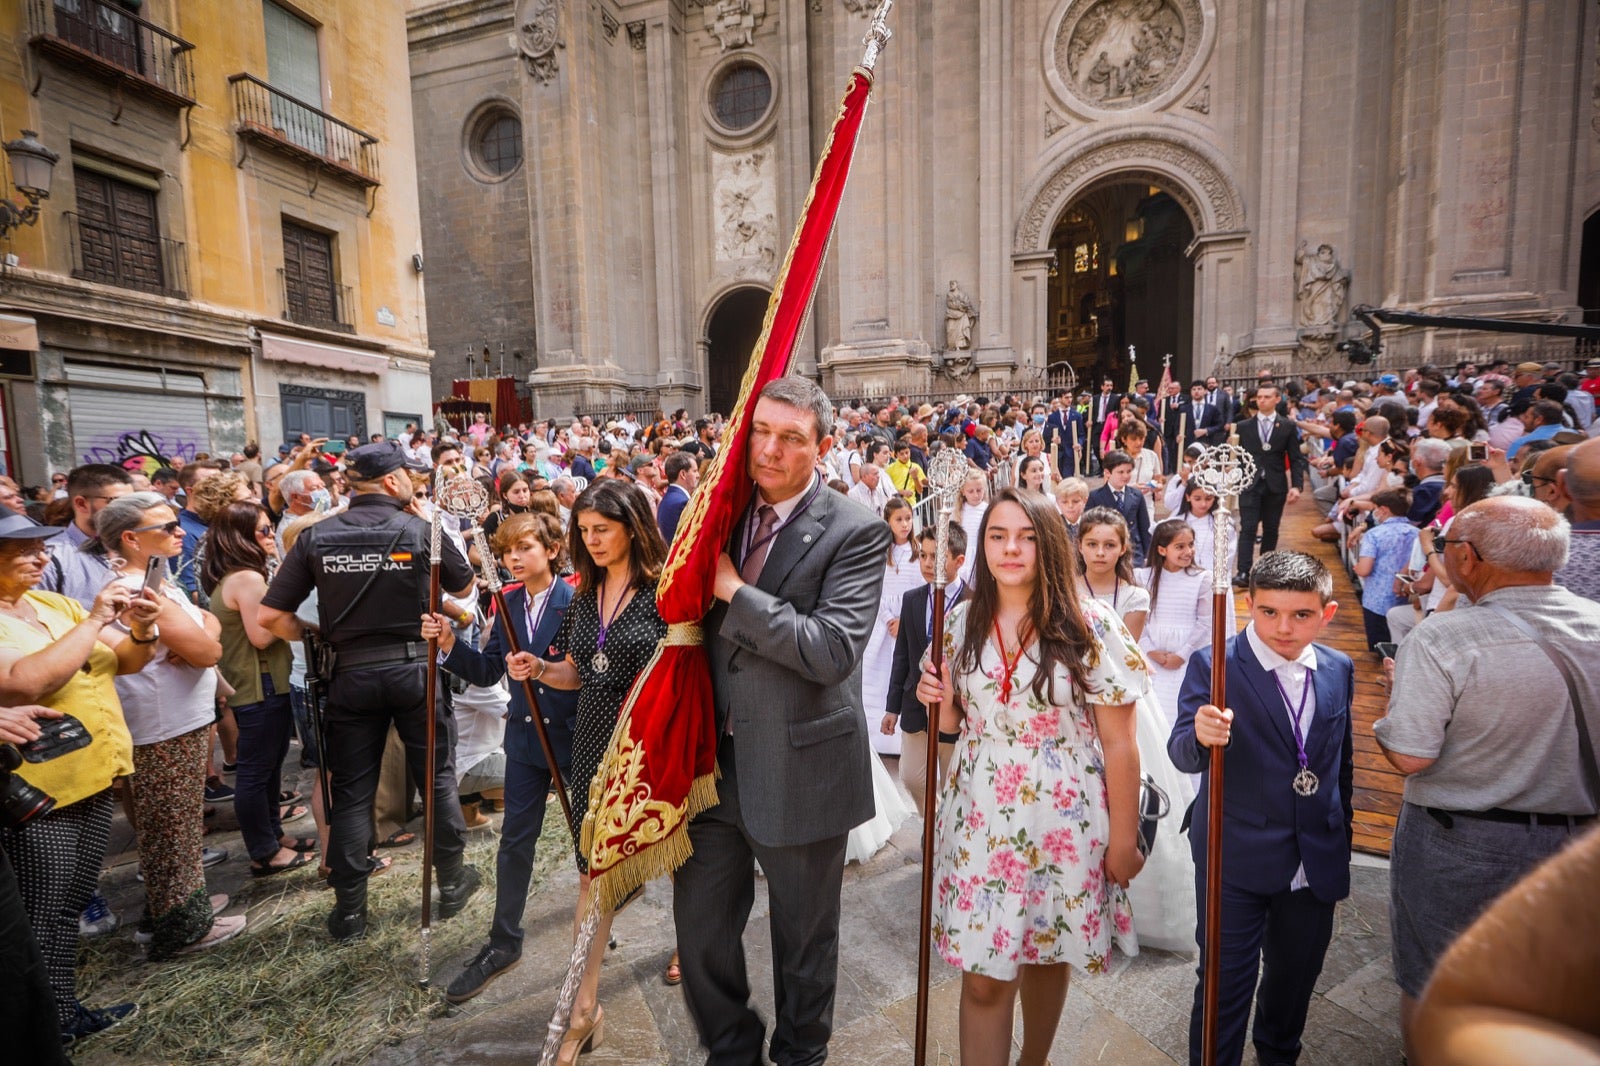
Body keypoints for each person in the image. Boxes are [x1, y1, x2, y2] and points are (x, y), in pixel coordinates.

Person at [675, 377, 890, 1064]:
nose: (768, 449)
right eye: (760, 432)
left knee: (803, 946)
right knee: (700, 934)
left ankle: (801, 1055)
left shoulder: (856, 530)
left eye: (790, 438)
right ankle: (732, 1050)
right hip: (712, 767)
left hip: (803, 766)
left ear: (822, 447)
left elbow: (830, 650)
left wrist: (734, 590)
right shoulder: (719, 513)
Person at [915, 487, 1147, 1066]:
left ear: (1048, 543)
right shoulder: (959, 619)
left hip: (1062, 812)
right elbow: (948, 725)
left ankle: (1033, 1060)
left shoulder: (1090, 622)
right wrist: (932, 694)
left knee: (1048, 950)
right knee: (985, 978)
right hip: (980, 811)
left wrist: (1124, 838)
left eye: (1025, 536)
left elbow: (1120, 743)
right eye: (997, 535)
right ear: (982, 545)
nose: (1011, 548)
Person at [1373, 496, 1600, 1060]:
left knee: (1438, 979)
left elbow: (1409, 755)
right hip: (1580, 842)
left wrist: (1394, 695)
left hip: (1464, 841)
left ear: (1468, 558)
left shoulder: (1444, 638)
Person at [258, 441, 479, 942]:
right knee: (436, 779)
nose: (415, 484)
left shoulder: (316, 537)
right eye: (410, 476)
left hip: (350, 676)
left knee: (352, 791)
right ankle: (450, 886)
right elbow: (463, 593)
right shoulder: (420, 529)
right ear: (392, 482)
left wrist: (317, 635)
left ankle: (351, 911)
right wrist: (431, 525)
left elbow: (270, 617)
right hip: (413, 672)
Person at [1169, 550, 1355, 1066]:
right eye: (1269, 612)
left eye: (1301, 615)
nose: (1283, 628)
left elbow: (1342, 763)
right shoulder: (1217, 664)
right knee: (1224, 988)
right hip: (1235, 856)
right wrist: (1201, 737)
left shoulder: (1338, 668)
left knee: (1292, 988)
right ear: (1249, 604)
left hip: (1314, 861)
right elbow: (1181, 750)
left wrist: (1341, 836)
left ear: (1327, 613)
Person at [0, 510, 160, 1043]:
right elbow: (24, 683)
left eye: (41, 547)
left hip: (95, 771)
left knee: (69, 904)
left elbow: (127, 661)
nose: (38, 557)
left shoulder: (51, 603)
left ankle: (63, 1013)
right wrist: (94, 620)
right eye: (21, 550)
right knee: (41, 913)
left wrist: (141, 626)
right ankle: (45, 1030)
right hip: (40, 787)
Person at [523, 479, 668, 1059]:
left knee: (674, 857)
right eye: (584, 532)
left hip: (648, 747)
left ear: (632, 526)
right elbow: (579, 672)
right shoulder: (582, 594)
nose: (592, 540)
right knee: (592, 875)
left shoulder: (663, 591)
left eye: (602, 530)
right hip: (591, 747)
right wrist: (539, 668)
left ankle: (690, 944)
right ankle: (585, 1006)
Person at [426, 511, 580, 1003]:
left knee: (592, 836)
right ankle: (504, 940)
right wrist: (450, 645)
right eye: (506, 551)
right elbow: (489, 671)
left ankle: (598, 918)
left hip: (576, 737)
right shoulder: (506, 601)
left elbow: (587, 671)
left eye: (524, 548)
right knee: (515, 841)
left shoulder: (577, 599)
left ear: (552, 550)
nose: (513, 558)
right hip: (524, 742)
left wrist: (543, 668)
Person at [97, 493, 245, 958]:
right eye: (165, 527)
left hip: (176, 718)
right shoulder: (136, 589)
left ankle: (178, 909)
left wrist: (203, 631)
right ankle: (179, 926)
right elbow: (208, 650)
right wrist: (202, 636)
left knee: (176, 826)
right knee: (171, 830)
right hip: (162, 725)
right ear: (130, 538)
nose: (179, 532)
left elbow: (208, 627)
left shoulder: (154, 580)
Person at [203, 501, 313, 877]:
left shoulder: (239, 576)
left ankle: (273, 837)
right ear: (240, 537)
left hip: (259, 684)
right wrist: (294, 608)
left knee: (267, 769)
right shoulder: (247, 579)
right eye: (264, 530)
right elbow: (262, 636)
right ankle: (263, 852)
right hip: (259, 686)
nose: (271, 537)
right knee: (255, 772)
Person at [882, 522, 967, 818]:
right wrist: (892, 707)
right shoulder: (913, 599)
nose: (929, 564)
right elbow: (902, 655)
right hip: (915, 706)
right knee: (911, 776)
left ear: (959, 560)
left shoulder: (974, 603)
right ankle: (933, 820)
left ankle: (943, 835)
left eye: (937, 556)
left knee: (954, 782)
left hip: (953, 711)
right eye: (925, 556)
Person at [1233, 384, 1308, 585]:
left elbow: (1295, 457)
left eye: (1267, 397)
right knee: (1248, 527)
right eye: (1259, 397)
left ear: (1277, 399)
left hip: (1275, 484)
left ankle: (1265, 569)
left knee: (1271, 528)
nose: (1262, 400)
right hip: (1250, 483)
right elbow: (1235, 456)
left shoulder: (1287, 426)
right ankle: (1243, 571)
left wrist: (1297, 485)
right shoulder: (1243, 426)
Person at [36, 463, 133, 606]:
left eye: (133, 502)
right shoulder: (50, 559)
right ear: (81, 504)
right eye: (119, 502)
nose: (131, 510)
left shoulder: (140, 544)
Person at [1354, 487, 1419, 649]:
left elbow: (1365, 569)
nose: (1374, 513)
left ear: (1383, 510)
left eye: (1375, 509)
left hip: (1376, 601)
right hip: (1405, 596)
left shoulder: (1374, 534)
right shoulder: (1417, 533)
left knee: (1380, 650)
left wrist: (1357, 568)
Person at [1087, 451, 1152, 566]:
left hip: (1134, 554)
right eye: (1120, 472)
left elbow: (1144, 527)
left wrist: (1148, 555)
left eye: (1128, 471)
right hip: (1107, 553)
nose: (1126, 476)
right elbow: (1088, 527)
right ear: (1107, 473)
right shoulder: (1095, 496)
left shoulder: (1136, 495)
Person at [657, 450, 698, 544]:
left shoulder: (668, 498)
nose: (698, 475)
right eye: (695, 471)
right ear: (683, 474)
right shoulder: (681, 503)